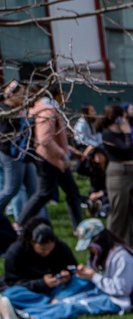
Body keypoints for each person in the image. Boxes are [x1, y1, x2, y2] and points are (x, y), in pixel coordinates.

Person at [0, 221, 133, 319]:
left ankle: (30, 318)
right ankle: (20, 315)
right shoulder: (15, 252)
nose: (89, 250)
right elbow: (12, 281)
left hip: (115, 299)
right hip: (97, 290)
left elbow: (122, 289)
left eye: (90, 246)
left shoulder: (122, 258)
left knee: (71, 306)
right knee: (65, 302)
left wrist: (90, 276)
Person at [17, 83, 84, 234]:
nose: (66, 98)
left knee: (71, 192)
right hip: (49, 159)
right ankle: (20, 224)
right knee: (44, 193)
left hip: (52, 158)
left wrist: (67, 150)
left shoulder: (45, 108)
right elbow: (45, 139)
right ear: (57, 94)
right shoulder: (47, 111)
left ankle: (79, 227)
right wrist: (63, 154)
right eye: (64, 94)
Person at [97, 104, 133, 247]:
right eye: (123, 116)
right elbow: (125, 149)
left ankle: (131, 239)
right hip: (118, 173)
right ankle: (111, 239)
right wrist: (128, 133)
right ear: (117, 118)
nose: (126, 119)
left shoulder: (123, 133)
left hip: (132, 170)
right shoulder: (107, 134)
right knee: (119, 208)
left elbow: (131, 151)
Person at [0, 82, 36, 246]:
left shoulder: (21, 110)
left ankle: (33, 224)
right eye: (21, 94)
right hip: (11, 154)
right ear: (11, 95)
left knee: (34, 190)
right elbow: (5, 136)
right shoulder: (4, 111)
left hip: (25, 155)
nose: (24, 97)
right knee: (11, 188)